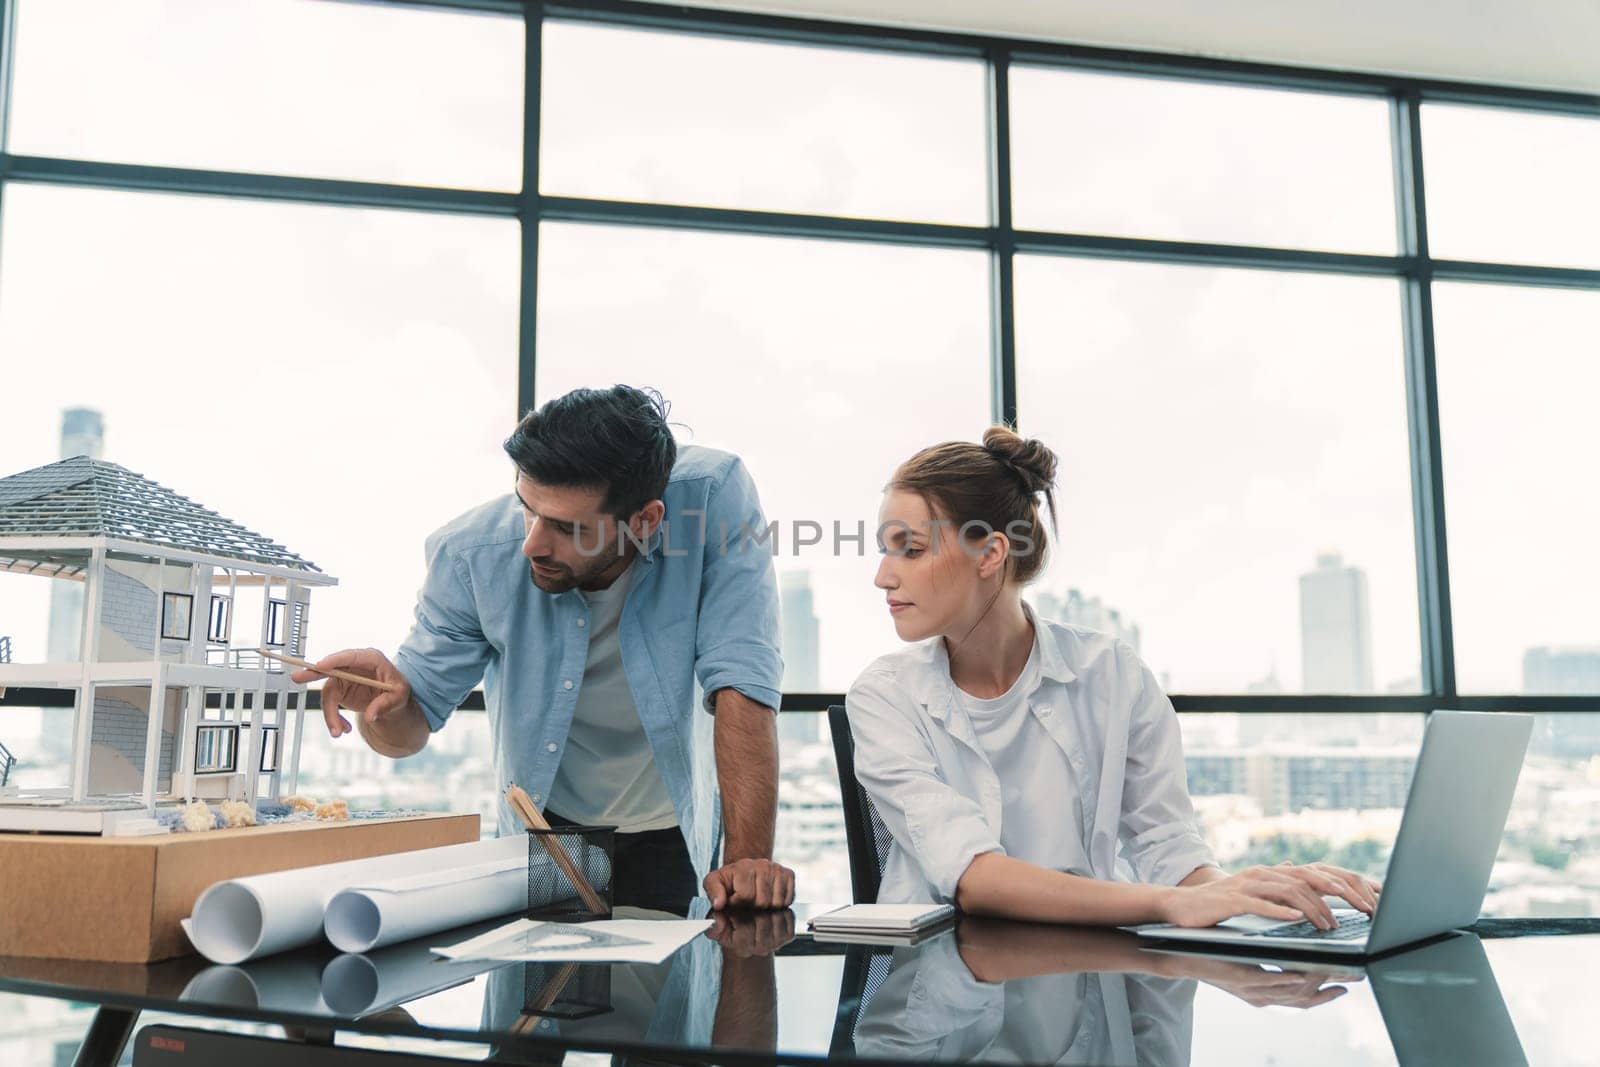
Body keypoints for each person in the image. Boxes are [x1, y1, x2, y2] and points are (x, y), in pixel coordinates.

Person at [845, 426, 1380, 929]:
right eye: (885, 550)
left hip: (1094, 977)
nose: (880, 577)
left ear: (990, 553)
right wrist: (1176, 903)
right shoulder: (884, 697)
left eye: (910, 549)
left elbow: (1166, 844)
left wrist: (1244, 899)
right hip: (943, 991)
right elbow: (973, 877)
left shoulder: (1113, 674)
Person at [295, 385, 795, 912]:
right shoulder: (471, 555)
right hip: (545, 834)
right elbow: (404, 736)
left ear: (645, 521)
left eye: (567, 528)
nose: (532, 542)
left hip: (675, 829)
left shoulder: (714, 499)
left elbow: (742, 676)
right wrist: (385, 706)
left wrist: (747, 862)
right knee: (533, 991)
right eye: (527, 510)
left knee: (684, 984)